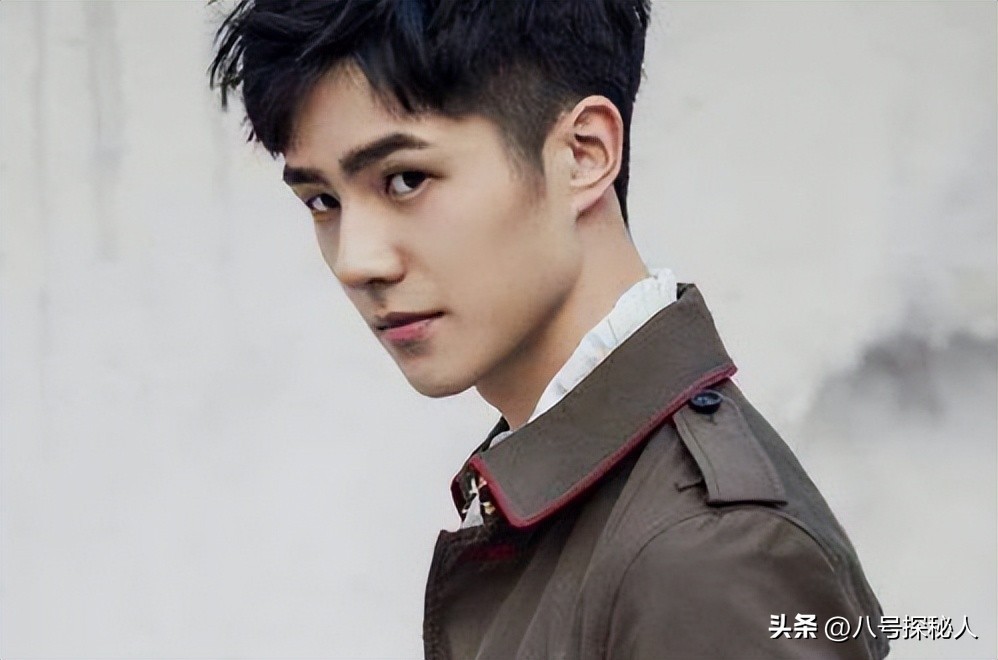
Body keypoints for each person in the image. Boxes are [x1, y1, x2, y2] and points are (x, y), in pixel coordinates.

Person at [209, 1, 888, 657]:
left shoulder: (704, 554)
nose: (357, 261)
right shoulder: (581, 495)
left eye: (406, 179)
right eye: (322, 201)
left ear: (583, 155)